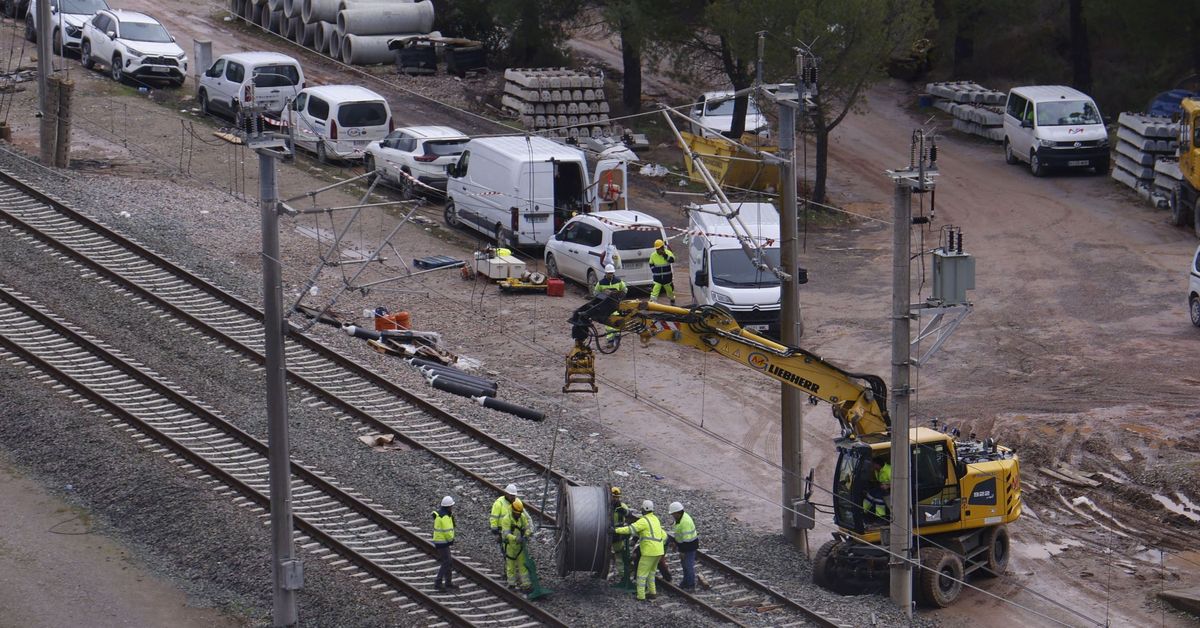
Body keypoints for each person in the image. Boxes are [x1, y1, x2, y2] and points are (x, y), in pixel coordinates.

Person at [614, 499, 666, 601]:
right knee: (651, 573)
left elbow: (630, 529)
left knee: (641, 575)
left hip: (649, 551)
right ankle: (652, 592)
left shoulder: (644, 521)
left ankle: (641, 596)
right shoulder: (655, 519)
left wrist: (615, 530)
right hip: (659, 551)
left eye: (642, 508)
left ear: (644, 509)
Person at [501, 498, 534, 591]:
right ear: (513, 510)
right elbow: (506, 534)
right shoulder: (506, 519)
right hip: (510, 547)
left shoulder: (522, 517)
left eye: (519, 513)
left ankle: (526, 584)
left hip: (520, 546)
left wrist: (526, 535)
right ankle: (511, 584)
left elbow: (527, 527)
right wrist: (516, 538)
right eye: (517, 513)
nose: (518, 515)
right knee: (510, 566)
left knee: (523, 566)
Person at [593, 264, 627, 347]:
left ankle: (616, 337)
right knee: (608, 324)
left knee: (616, 321)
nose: (610, 274)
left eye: (611, 273)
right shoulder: (601, 283)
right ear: (606, 273)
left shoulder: (618, 281)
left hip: (616, 305)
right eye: (609, 273)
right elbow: (596, 293)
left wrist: (620, 296)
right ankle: (610, 340)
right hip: (606, 306)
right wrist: (603, 296)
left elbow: (624, 289)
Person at [667, 501, 699, 590]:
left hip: (689, 547)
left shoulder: (685, 522)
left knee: (688, 566)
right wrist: (675, 544)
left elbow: (687, 540)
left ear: (677, 513)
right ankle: (685, 582)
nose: (672, 515)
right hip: (684, 545)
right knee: (684, 565)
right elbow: (679, 534)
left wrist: (682, 551)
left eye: (673, 513)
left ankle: (690, 585)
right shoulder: (679, 519)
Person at [432, 496, 457, 590]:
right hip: (442, 542)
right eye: (451, 506)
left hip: (440, 541)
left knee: (448, 561)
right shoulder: (445, 516)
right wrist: (451, 540)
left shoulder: (441, 514)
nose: (452, 508)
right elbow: (447, 531)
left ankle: (448, 582)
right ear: (448, 506)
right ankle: (438, 583)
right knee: (447, 562)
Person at [609, 487, 631, 581]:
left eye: (617, 497)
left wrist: (622, 510)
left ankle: (623, 575)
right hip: (606, 534)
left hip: (617, 535)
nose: (615, 499)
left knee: (619, 556)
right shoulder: (605, 506)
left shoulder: (622, 507)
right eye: (614, 497)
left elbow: (628, 513)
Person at [648, 239, 676, 306]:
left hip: (667, 278)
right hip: (657, 278)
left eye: (659, 249)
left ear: (663, 248)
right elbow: (651, 264)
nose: (658, 251)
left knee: (670, 292)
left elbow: (672, 260)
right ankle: (652, 302)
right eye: (657, 249)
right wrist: (654, 271)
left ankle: (672, 300)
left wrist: (665, 255)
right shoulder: (653, 255)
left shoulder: (668, 253)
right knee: (655, 291)